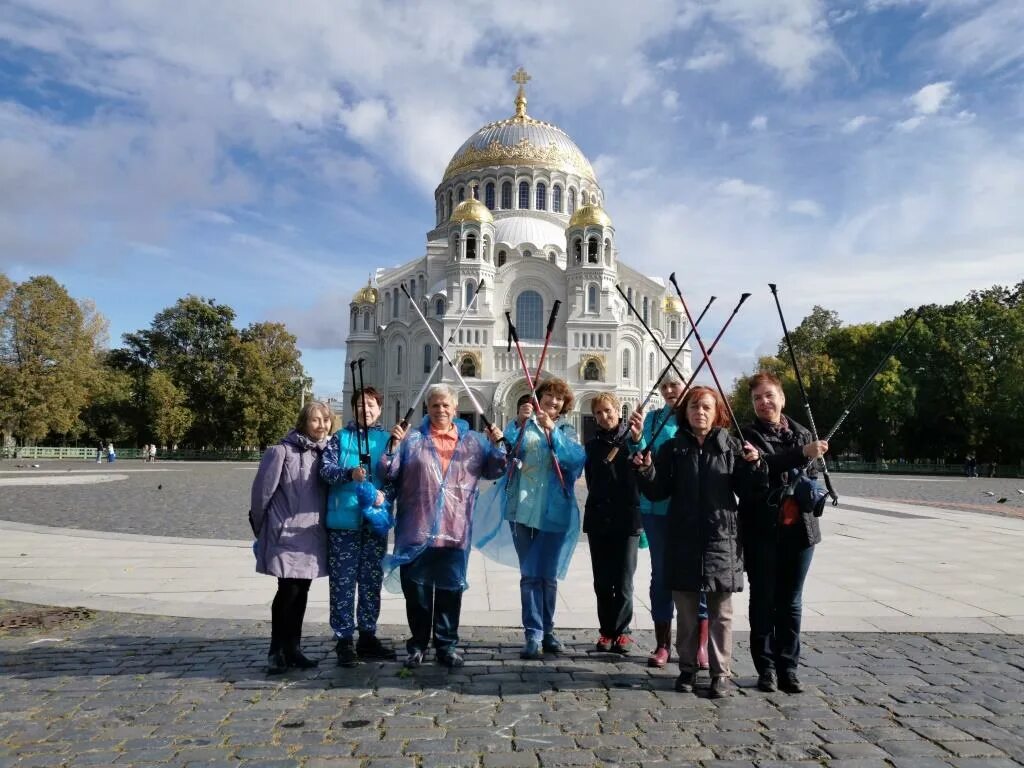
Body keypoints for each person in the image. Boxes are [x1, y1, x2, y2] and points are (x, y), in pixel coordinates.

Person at [634, 386, 765, 698]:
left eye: (706, 407)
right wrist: (646, 470)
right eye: (694, 406)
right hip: (683, 538)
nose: (700, 412)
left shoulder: (731, 446)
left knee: (721, 613)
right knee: (688, 613)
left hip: (721, 539)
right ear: (686, 412)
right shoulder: (673, 448)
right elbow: (658, 491)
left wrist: (755, 466)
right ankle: (688, 668)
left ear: (716, 411)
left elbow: (749, 491)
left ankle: (721, 673)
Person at [382, 384, 506, 669]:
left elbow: (495, 470)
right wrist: (392, 447)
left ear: (455, 408)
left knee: (450, 592)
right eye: (435, 405)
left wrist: (499, 445)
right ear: (427, 407)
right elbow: (389, 472)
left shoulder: (473, 442)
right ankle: (418, 644)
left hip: (455, 527)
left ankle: (446, 645)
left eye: (446, 405)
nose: (440, 410)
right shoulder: (412, 440)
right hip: (417, 527)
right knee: (418, 594)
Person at [476, 377, 586, 660]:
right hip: (522, 509)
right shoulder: (521, 426)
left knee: (547, 576)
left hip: (553, 513)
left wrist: (554, 434)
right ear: (537, 399)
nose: (552, 403)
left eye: (557, 400)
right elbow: (504, 456)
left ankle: (548, 630)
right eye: (547, 397)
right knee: (529, 575)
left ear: (563, 407)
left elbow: (574, 461)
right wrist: (516, 426)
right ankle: (532, 634)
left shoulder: (566, 430)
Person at [741, 372, 829, 694]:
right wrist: (801, 455)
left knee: (791, 602)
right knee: (763, 600)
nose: (763, 402)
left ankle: (788, 667)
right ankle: (765, 668)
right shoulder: (746, 435)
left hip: (801, 530)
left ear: (782, 398)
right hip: (762, 529)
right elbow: (756, 474)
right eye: (757, 398)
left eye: (768, 395)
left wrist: (812, 457)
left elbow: (813, 474)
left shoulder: (804, 433)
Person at [629, 374, 710, 670]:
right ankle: (663, 643)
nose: (669, 390)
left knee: (699, 573)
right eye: (664, 386)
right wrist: (636, 440)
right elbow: (637, 456)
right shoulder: (651, 419)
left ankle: (700, 646)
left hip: (692, 509)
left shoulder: (697, 414)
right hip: (657, 508)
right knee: (662, 574)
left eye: (675, 384)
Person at [250, 400, 332, 674]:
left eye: (325, 420)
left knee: (302, 591)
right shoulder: (281, 452)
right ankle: (277, 650)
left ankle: (293, 648)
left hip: (311, 534)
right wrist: (261, 529)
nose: (321, 425)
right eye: (315, 420)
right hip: (285, 532)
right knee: (287, 591)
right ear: (303, 423)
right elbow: (262, 494)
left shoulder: (327, 453)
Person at [320, 386, 396, 666]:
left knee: (370, 582)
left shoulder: (387, 440)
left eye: (371, 405)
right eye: (361, 405)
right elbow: (325, 470)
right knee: (342, 582)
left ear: (379, 408)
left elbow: (395, 475)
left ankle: (367, 636)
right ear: (354, 409)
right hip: (344, 522)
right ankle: (343, 639)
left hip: (374, 522)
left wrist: (384, 494)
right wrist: (349, 474)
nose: (366, 410)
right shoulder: (341, 439)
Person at [584, 392, 643, 654]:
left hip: (627, 518)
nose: (604, 416)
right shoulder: (592, 445)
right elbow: (591, 480)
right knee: (602, 581)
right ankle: (606, 630)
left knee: (623, 581)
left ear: (619, 411)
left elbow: (642, 468)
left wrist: (637, 441)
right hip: (599, 518)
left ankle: (623, 631)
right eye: (598, 413)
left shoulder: (630, 440)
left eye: (608, 411)